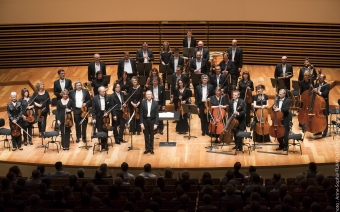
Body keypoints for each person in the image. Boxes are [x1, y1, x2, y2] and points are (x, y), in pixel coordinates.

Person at [92, 86, 111, 150]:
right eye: (103, 91)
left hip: (106, 116)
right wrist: (94, 118)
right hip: (98, 116)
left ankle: (105, 145)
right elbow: (93, 110)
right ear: (99, 92)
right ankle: (101, 144)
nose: (104, 92)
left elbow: (110, 107)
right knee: (100, 131)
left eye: (105, 91)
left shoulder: (108, 97)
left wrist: (107, 112)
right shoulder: (95, 98)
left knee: (105, 130)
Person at [140, 90, 159, 154]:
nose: (148, 95)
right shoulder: (143, 102)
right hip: (145, 120)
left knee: (152, 135)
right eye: (147, 94)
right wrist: (141, 123)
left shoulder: (155, 103)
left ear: (152, 95)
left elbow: (157, 114)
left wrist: (156, 124)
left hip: (152, 120)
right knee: (146, 135)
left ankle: (151, 148)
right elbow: (141, 113)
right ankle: (147, 148)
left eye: (150, 94)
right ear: (145, 95)